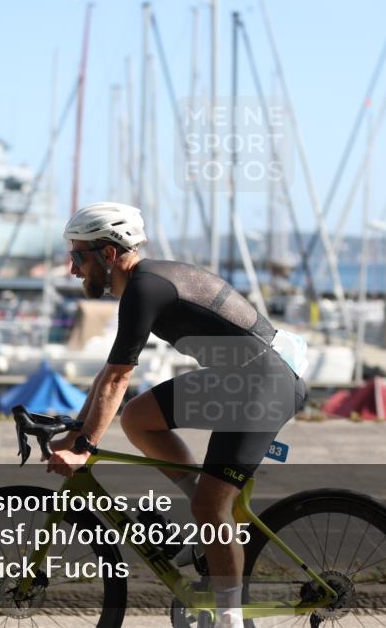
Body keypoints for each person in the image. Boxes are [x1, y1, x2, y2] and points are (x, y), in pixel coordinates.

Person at [45, 202, 307, 628]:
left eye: (77, 256)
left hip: (264, 384)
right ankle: (209, 533)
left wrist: (86, 447)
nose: (72, 269)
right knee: (138, 418)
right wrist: (78, 430)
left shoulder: (146, 288)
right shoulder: (141, 285)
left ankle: (230, 620)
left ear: (108, 255)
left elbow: (117, 377)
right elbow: (108, 374)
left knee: (210, 508)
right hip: (238, 378)